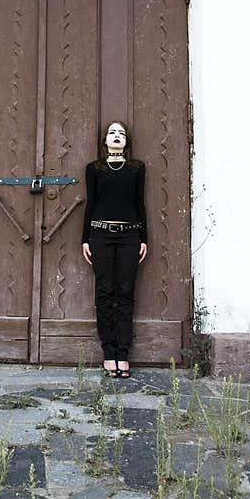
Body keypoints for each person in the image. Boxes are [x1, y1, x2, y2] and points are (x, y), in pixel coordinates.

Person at [81, 121, 148, 379]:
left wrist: (144, 238)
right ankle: (109, 353)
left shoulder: (136, 168)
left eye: (121, 133)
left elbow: (139, 203)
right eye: (112, 133)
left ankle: (123, 353)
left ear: (127, 141)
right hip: (100, 236)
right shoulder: (94, 169)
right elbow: (91, 203)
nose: (116, 136)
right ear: (105, 141)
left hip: (130, 236)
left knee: (126, 293)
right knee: (105, 292)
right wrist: (85, 238)